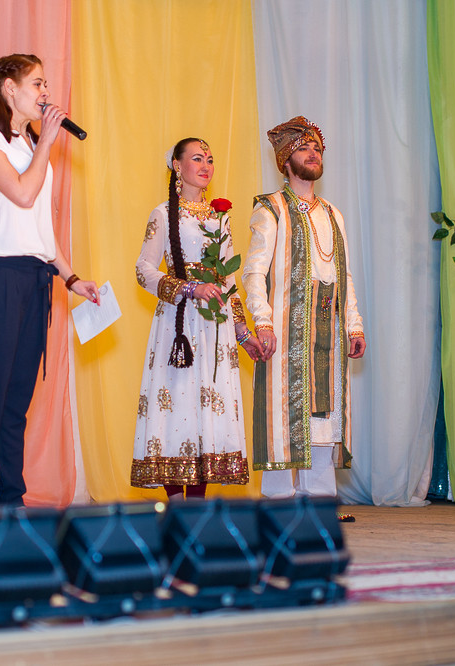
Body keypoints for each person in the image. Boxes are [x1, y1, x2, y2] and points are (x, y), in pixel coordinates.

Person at [0, 53, 98, 507]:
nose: (45, 93)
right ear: (8, 88)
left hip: (34, 278)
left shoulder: (31, 147)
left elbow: (41, 230)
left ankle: (12, 495)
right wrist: (46, 147)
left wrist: (71, 277)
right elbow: (21, 193)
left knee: (18, 397)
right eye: (37, 83)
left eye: (46, 84)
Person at [130, 138, 262, 499]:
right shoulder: (162, 213)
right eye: (197, 158)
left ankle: (197, 508)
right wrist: (188, 289)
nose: (206, 165)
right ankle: (176, 508)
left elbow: (229, 281)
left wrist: (241, 331)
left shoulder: (220, 218)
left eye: (210, 160)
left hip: (214, 328)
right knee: (177, 405)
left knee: (207, 409)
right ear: (177, 165)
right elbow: (143, 270)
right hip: (179, 326)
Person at [243, 116, 366, 501]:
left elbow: (343, 276)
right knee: (284, 417)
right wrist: (262, 322)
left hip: (327, 329)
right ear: (285, 159)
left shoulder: (333, 213)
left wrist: (354, 325)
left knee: (324, 417)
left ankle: (319, 503)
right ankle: (278, 506)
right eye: (303, 147)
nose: (312, 152)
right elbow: (253, 273)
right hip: (285, 329)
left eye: (316, 147)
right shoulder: (271, 209)